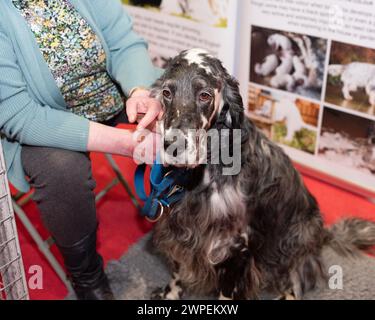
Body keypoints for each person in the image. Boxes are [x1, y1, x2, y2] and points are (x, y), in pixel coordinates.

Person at [0, 0, 163, 300]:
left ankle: (208, 220)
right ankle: (87, 277)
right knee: (63, 174)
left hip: (110, 94)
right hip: (43, 120)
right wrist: (125, 144)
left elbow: (124, 44)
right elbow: (19, 115)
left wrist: (141, 91)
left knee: (187, 108)